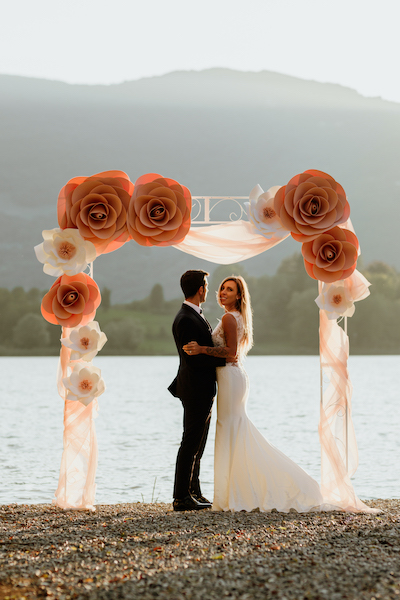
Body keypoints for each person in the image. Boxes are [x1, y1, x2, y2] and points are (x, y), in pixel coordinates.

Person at [183, 275, 324, 512]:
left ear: (239, 295)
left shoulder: (229, 317)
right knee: (235, 431)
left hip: (229, 375)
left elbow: (230, 353)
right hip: (233, 377)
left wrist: (200, 349)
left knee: (230, 430)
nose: (222, 292)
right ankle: (236, 492)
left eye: (229, 290)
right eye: (221, 288)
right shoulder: (235, 316)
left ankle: (238, 493)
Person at [168, 270, 226, 512]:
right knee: (190, 442)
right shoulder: (185, 319)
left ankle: (194, 490)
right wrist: (225, 360)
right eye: (207, 285)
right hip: (195, 388)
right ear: (201, 288)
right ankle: (181, 497)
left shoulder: (193, 316)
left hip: (201, 387)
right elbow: (192, 359)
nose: (207, 289)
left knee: (198, 443)